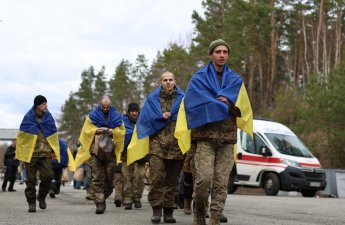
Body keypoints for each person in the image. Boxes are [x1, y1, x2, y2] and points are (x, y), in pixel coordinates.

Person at [180, 39, 253, 225]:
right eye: (218, 51)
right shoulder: (199, 79)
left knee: (221, 183)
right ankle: (199, 213)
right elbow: (191, 105)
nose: (222, 55)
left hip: (227, 138)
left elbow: (242, 108)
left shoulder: (235, 80)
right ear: (211, 54)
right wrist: (214, 102)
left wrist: (228, 103)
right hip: (205, 138)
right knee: (203, 180)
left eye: (225, 52)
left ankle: (214, 219)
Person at [127, 71, 185, 223]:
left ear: (174, 81)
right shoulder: (152, 99)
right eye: (165, 80)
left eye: (170, 80)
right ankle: (156, 209)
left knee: (172, 180)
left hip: (176, 145)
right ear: (161, 82)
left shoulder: (183, 99)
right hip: (156, 145)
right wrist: (160, 117)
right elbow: (144, 121)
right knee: (157, 177)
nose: (168, 82)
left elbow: (188, 118)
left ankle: (169, 211)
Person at [75, 95, 125, 214]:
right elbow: (86, 130)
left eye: (108, 107)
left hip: (111, 152)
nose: (106, 109)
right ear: (100, 105)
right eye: (103, 107)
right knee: (97, 177)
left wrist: (114, 131)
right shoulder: (92, 116)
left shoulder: (116, 116)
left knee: (109, 177)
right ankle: (99, 202)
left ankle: (103, 196)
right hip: (96, 151)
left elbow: (122, 131)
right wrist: (95, 130)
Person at [15, 95, 61, 212]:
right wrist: (20, 152)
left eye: (46, 104)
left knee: (47, 177)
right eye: (43, 104)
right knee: (30, 180)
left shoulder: (49, 118)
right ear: (37, 106)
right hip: (31, 154)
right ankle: (31, 203)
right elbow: (22, 137)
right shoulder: (28, 118)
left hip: (45, 153)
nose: (46, 106)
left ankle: (41, 197)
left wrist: (54, 150)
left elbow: (53, 135)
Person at [120, 102, 146, 210]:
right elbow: (119, 135)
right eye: (132, 111)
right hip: (126, 154)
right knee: (127, 177)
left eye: (136, 111)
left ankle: (137, 197)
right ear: (128, 112)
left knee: (139, 176)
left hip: (140, 154)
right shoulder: (122, 122)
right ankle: (127, 199)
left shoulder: (143, 121)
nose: (134, 113)